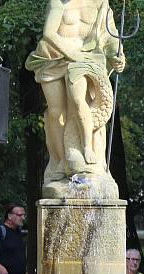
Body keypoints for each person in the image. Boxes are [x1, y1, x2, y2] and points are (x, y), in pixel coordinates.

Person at [26, 0, 126, 184]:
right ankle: (60, 162)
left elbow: (110, 36)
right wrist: (73, 54)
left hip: (87, 60)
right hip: (54, 57)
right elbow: (49, 34)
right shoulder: (57, 2)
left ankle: (90, 159)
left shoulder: (101, 3)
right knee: (56, 113)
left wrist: (117, 56)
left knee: (86, 105)